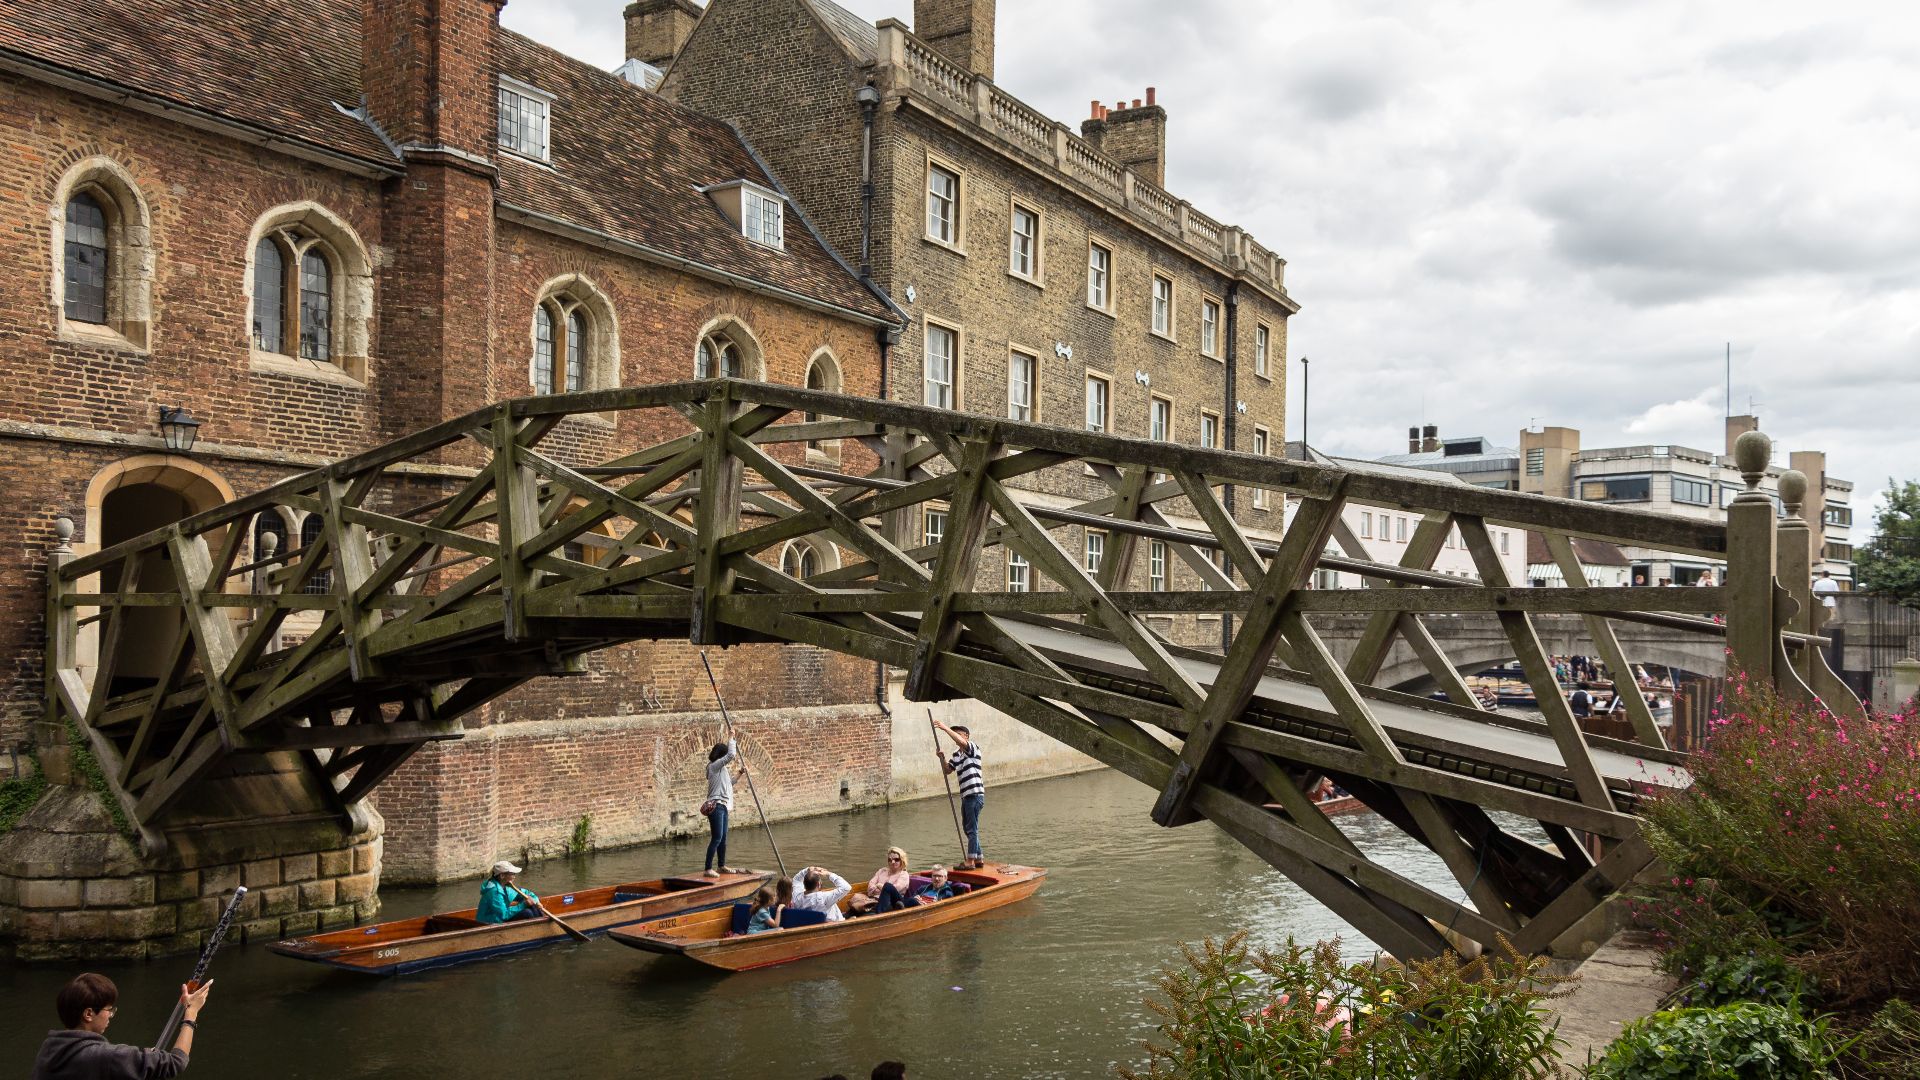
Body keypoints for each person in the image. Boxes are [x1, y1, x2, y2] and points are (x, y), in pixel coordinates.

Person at [31, 972, 211, 1080]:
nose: (110, 1015)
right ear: (88, 1014)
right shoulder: (108, 1057)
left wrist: (143, 1058)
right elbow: (176, 1063)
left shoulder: (48, 1050)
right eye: (109, 1009)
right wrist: (191, 1014)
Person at [935, 720, 985, 869]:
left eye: (959, 734)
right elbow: (948, 770)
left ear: (966, 736)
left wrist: (944, 728)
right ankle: (979, 858)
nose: (956, 736)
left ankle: (970, 862)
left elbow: (960, 741)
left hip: (975, 795)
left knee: (971, 829)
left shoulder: (973, 748)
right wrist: (942, 758)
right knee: (968, 827)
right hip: (966, 796)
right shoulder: (957, 755)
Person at [703, 736, 745, 877]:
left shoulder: (722, 770)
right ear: (720, 755)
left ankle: (721, 866)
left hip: (724, 806)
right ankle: (708, 868)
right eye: (724, 755)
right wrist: (731, 737)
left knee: (723, 838)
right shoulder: (713, 766)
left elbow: (729, 784)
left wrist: (740, 773)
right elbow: (731, 755)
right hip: (716, 807)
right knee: (717, 837)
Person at [848, 847, 913, 915]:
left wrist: (879, 886)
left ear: (902, 861)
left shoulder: (904, 875)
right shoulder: (881, 871)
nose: (892, 862)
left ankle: (877, 914)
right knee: (854, 909)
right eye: (890, 860)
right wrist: (881, 889)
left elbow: (894, 889)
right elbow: (870, 886)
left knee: (888, 886)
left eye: (896, 859)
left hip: (892, 902)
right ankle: (843, 918)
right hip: (874, 900)